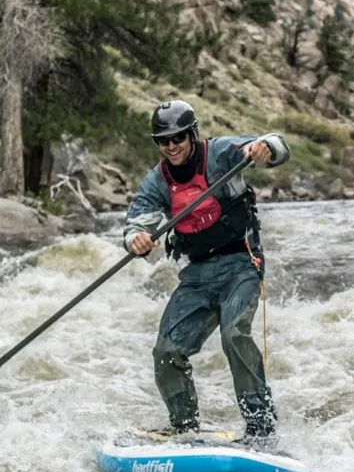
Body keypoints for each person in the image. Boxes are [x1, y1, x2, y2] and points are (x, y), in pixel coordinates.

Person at [123, 100, 290, 439]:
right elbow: (136, 222)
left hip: (241, 263)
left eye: (178, 138)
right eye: (163, 140)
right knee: (167, 351)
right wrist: (135, 240)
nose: (171, 146)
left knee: (234, 335)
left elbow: (277, 145)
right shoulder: (156, 181)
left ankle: (261, 427)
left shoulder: (221, 152)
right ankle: (184, 427)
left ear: (192, 134)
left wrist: (264, 148)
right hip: (197, 274)